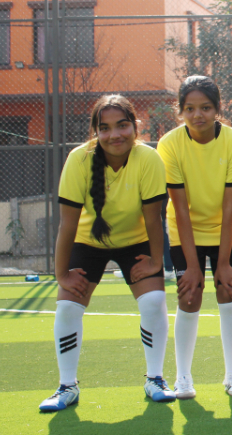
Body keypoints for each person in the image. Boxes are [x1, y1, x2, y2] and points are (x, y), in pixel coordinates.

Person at [39, 95, 174, 412]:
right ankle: (67, 386)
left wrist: (156, 261)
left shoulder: (148, 158)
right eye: (105, 128)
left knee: (154, 301)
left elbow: (154, 218)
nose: (115, 134)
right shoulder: (79, 159)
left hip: (136, 242)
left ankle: (155, 379)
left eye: (122, 125)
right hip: (88, 243)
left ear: (135, 126)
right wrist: (61, 275)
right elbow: (67, 224)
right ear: (95, 132)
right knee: (67, 308)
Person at [157, 76, 232, 398]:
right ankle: (183, 377)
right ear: (180, 111)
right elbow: (180, 209)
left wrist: (223, 263)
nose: (198, 115)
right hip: (185, 231)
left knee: (229, 293)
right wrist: (193, 267)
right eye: (190, 109)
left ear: (217, 109)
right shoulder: (169, 144)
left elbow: (230, 207)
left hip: (226, 229)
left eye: (206, 108)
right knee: (189, 296)